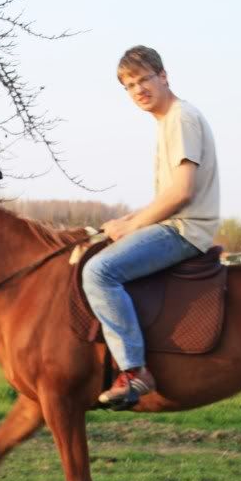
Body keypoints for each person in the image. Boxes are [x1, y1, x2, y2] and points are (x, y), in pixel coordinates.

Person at [83, 45, 221, 409]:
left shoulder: (180, 118)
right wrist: (126, 221)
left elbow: (182, 192)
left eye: (144, 78)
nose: (138, 89)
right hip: (178, 222)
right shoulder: (169, 121)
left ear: (164, 76)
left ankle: (133, 372)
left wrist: (132, 226)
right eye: (129, 85)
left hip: (185, 229)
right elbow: (167, 196)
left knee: (99, 272)